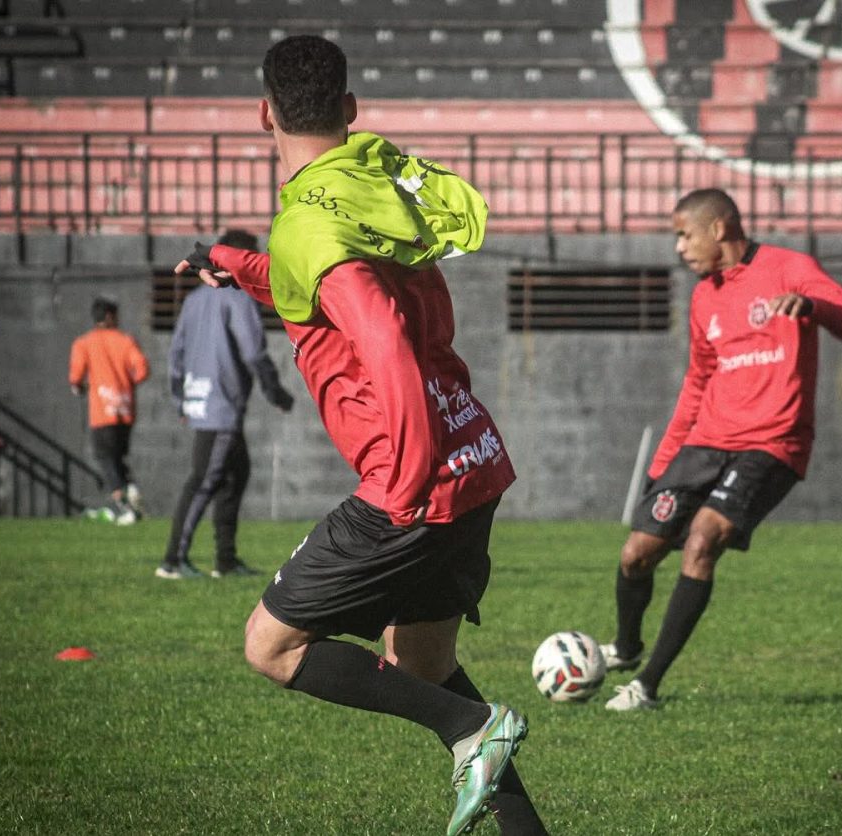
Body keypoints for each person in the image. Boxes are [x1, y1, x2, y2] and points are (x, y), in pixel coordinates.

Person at [173, 36, 544, 836]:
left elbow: (378, 336)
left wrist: (405, 487)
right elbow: (332, 282)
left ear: (263, 113)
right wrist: (241, 263)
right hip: (474, 458)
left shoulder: (309, 218)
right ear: (349, 110)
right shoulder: (368, 182)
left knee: (270, 647)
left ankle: (468, 731)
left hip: (414, 485)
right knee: (425, 668)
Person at [602, 188, 842, 712]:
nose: (679, 247)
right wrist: (662, 464)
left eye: (684, 234)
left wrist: (812, 305)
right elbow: (698, 382)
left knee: (704, 539)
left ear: (719, 228)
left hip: (772, 442)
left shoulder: (790, 267)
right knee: (637, 553)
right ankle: (627, 648)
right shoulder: (705, 296)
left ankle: (647, 685)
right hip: (706, 442)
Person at [156, 229, 295, 581]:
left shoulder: (194, 300)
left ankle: (226, 560)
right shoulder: (238, 299)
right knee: (204, 480)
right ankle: (172, 561)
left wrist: (180, 400)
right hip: (221, 408)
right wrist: (276, 393)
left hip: (200, 401)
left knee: (236, 475)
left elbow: (175, 355)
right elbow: (254, 352)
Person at [68, 296, 149, 525]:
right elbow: (142, 369)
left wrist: (80, 387)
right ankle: (130, 488)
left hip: (102, 412)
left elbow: (75, 378)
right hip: (125, 411)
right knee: (117, 457)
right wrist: (128, 384)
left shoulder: (84, 343)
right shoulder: (126, 341)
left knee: (105, 459)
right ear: (111, 316)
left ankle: (126, 506)